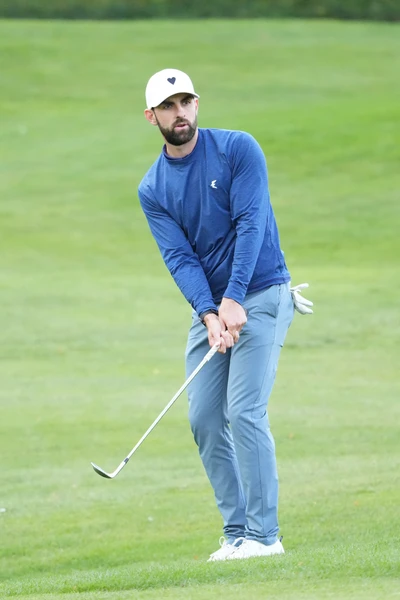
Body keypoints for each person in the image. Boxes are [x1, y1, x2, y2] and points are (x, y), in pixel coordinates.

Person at [138, 69, 313, 562]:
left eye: (186, 102)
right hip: (214, 310)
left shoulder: (238, 148)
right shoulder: (152, 188)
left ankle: (265, 537)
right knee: (205, 418)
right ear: (152, 116)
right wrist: (209, 313)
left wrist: (234, 298)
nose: (180, 113)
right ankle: (237, 534)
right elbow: (180, 258)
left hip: (262, 291)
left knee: (244, 409)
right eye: (168, 106)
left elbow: (251, 221)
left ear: (197, 104)